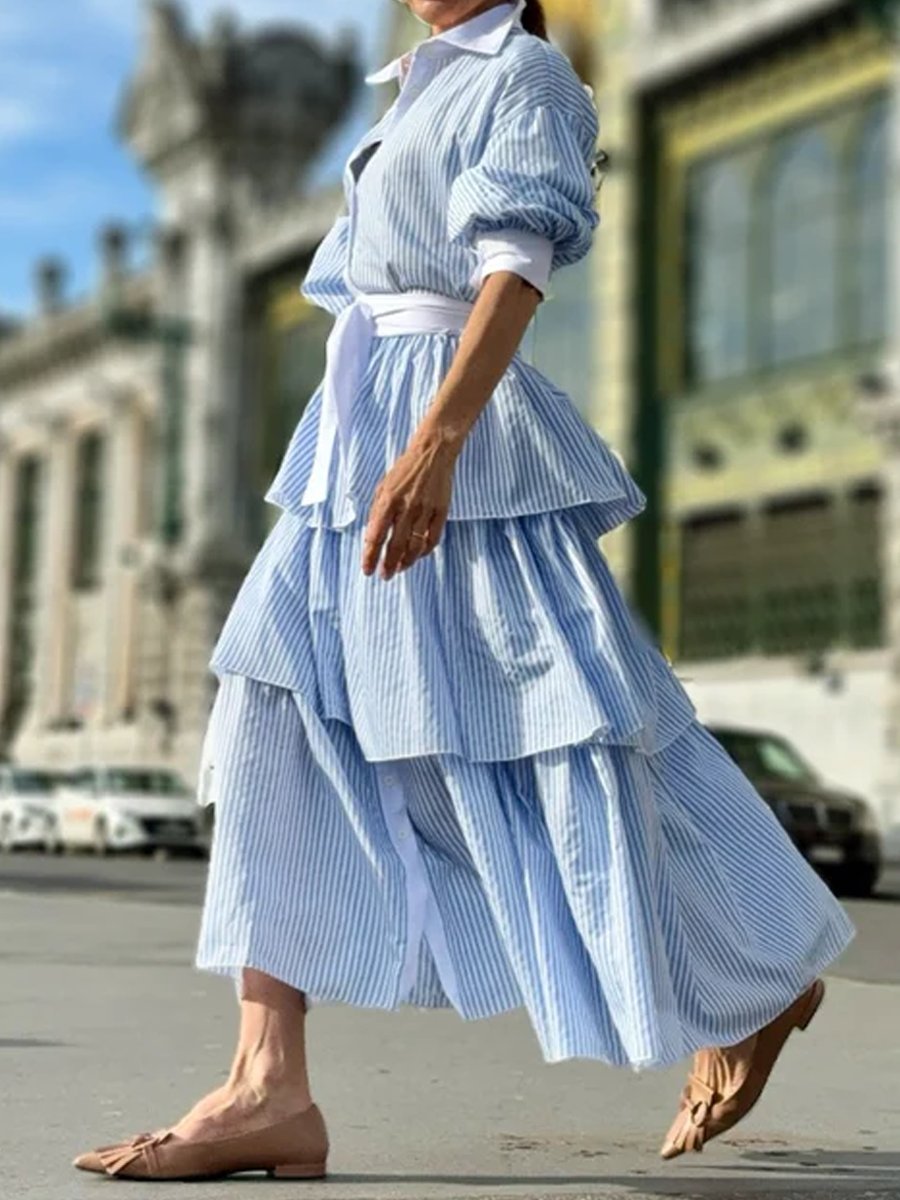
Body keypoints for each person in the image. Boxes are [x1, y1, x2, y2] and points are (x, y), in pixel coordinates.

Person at [74, 0, 856, 1181]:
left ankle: (758, 974)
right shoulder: (412, 95)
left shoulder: (529, 76)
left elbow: (514, 267)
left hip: (456, 442)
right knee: (275, 714)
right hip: (351, 446)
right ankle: (264, 1082)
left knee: (567, 723)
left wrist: (437, 441)